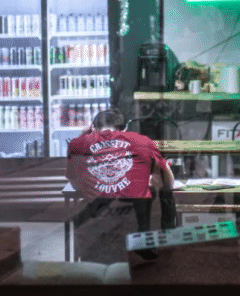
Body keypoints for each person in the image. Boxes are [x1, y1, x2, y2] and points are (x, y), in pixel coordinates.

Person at [66, 108, 177, 260]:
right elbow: (169, 181)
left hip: (97, 221)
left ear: (93, 128)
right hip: (133, 219)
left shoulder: (78, 145)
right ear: (125, 129)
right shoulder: (142, 141)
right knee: (157, 192)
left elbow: (75, 184)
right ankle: (160, 243)